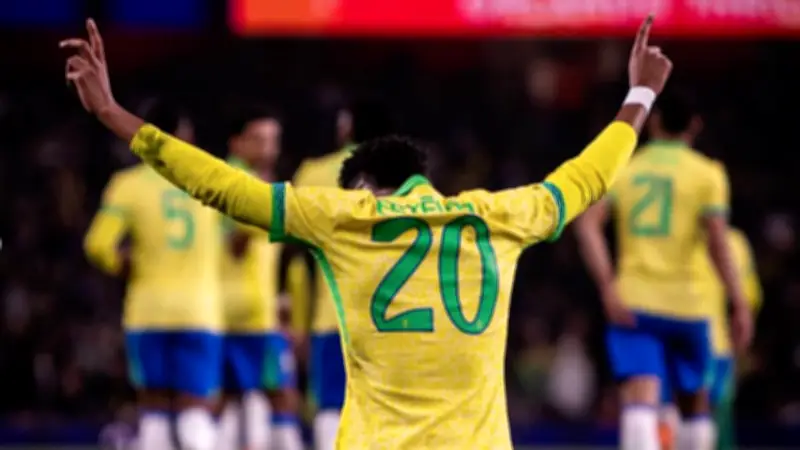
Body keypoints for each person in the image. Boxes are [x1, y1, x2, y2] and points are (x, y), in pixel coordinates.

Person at [63, 15, 671, 449]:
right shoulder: (500, 217)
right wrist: (640, 93)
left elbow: (222, 186)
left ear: (365, 186)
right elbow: (587, 177)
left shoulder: (344, 219)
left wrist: (114, 115)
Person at [574, 90, 754, 450]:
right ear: (695, 126)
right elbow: (718, 244)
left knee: (640, 396)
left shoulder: (627, 168)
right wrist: (738, 302)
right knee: (695, 401)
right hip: (689, 304)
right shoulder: (708, 175)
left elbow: (587, 224)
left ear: (653, 122)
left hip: (634, 301)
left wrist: (607, 284)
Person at [83, 99, 222, 450]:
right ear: (184, 136)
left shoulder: (128, 185)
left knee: (155, 408)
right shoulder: (208, 178)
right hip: (199, 311)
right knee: (196, 407)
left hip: (147, 311)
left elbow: (97, 245)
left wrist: (123, 264)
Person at [217, 108, 303, 450]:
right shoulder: (235, 183)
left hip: (246, 309)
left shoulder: (251, 182)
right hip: (245, 314)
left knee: (231, 399)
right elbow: (235, 242)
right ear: (236, 143)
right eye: (258, 139)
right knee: (280, 395)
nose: (268, 148)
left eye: (273, 140)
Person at [659, 227, 762, 450]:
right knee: (706, 420)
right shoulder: (735, 241)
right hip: (715, 344)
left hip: (684, 341)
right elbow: (749, 298)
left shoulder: (672, 234)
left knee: (676, 415)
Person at [291, 105, 357, 450]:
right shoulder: (405, 179)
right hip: (395, 320)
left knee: (331, 404)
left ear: (344, 129)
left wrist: (297, 319)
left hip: (332, 315)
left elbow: (296, 256)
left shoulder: (313, 174)